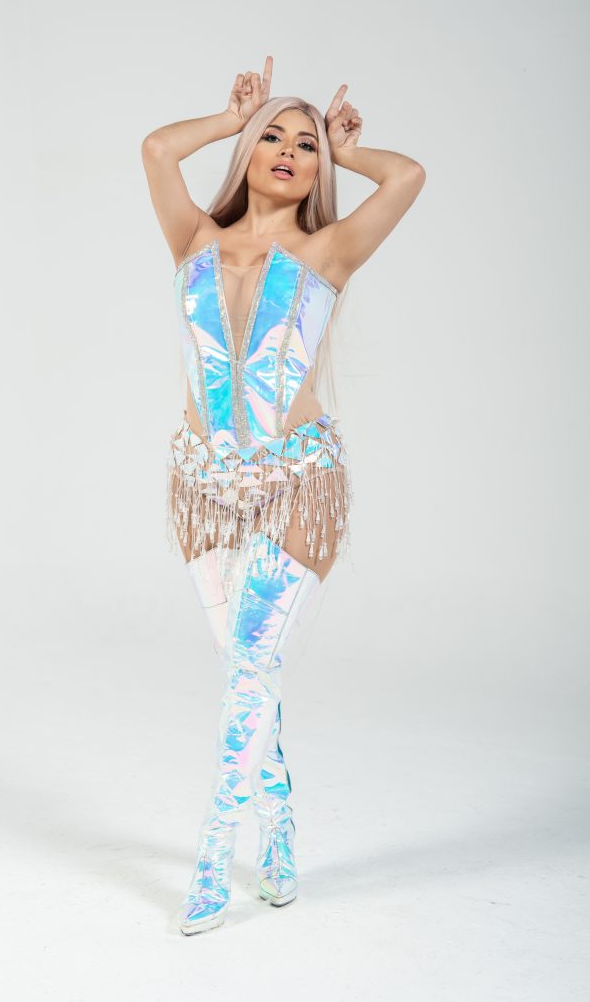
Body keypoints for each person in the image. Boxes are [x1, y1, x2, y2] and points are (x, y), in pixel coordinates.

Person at [141, 55, 426, 935]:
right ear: (248, 152)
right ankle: (280, 827)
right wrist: (229, 119)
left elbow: (407, 177)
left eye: (306, 145)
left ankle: (210, 859)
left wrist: (352, 148)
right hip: (200, 486)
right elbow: (156, 149)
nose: (290, 152)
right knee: (247, 674)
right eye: (274, 136)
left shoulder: (327, 250)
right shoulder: (193, 237)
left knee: (247, 673)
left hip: (298, 484)